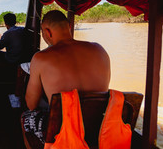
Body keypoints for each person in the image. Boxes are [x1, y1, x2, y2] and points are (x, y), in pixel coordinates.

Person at [23, 10, 110, 143]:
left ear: (47, 32)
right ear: (69, 27)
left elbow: (31, 104)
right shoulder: (99, 49)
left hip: (62, 130)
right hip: (99, 127)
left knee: (26, 116)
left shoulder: (41, 58)